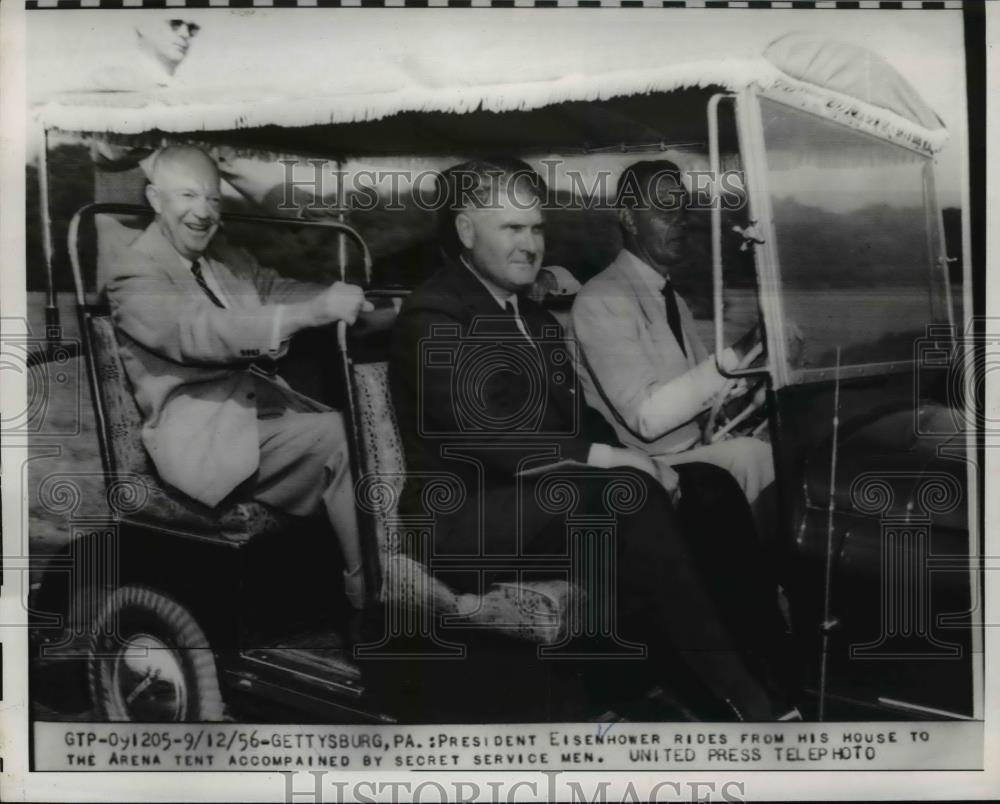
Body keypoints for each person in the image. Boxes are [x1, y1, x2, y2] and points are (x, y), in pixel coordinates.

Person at [389, 158, 795, 720]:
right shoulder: (433, 314)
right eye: (512, 228)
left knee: (708, 483)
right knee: (629, 494)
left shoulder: (531, 318)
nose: (530, 244)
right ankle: (740, 697)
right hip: (464, 518)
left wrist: (647, 462)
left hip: (537, 507)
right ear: (465, 230)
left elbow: (582, 418)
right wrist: (613, 459)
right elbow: (480, 432)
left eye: (536, 229)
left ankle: (774, 670)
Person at [103, 145, 372, 612]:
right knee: (342, 439)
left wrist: (376, 305)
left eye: (213, 199)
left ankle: (394, 575)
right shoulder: (133, 271)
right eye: (189, 196)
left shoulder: (224, 259)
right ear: (155, 198)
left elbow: (278, 290)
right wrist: (309, 313)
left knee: (370, 430)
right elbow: (200, 332)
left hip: (258, 416)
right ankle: (369, 598)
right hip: (203, 437)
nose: (204, 212)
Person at [571, 160, 774, 505]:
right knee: (755, 456)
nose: (680, 219)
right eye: (664, 207)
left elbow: (700, 394)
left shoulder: (672, 300)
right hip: (647, 469)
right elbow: (647, 419)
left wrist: (755, 378)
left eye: (681, 208)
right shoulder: (599, 299)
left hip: (696, 450)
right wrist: (738, 353)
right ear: (629, 219)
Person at [90, 17, 200, 91]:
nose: (186, 34)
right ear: (143, 27)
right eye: (175, 24)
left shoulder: (182, 87)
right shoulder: (111, 81)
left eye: (191, 29)